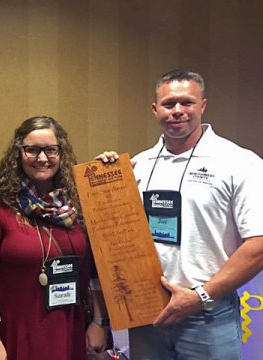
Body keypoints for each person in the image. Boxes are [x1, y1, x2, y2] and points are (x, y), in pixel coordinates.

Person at [100, 70, 263, 359]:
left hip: (209, 316)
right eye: (168, 104)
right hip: (148, 316)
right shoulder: (137, 167)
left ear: (203, 105)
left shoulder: (239, 162)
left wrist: (199, 297)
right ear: (155, 110)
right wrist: (105, 178)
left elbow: (259, 244)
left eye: (186, 103)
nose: (177, 111)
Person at [0, 116, 110, 360]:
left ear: (61, 154)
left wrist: (98, 320)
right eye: (32, 150)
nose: (42, 158)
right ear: (18, 154)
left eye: (50, 150)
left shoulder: (80, 205)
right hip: (17, 331)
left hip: (71, 325)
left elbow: (93, 269)